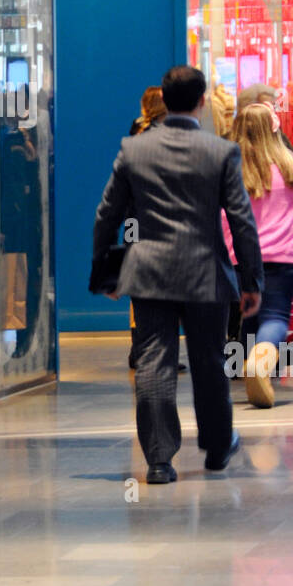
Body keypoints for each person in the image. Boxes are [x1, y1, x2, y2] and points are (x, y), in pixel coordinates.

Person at [92, 65, 263, 483]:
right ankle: (218, 447)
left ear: (162, 102)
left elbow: (106, 215)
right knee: (209, 360)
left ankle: (158, 459)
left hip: (149, 273)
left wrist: (104, 273)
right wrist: (252, 280)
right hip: (206, 273)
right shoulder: (220, 152)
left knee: (153, 360)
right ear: (202, 101)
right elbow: (242, 221)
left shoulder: (134, 150)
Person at [222, 102, 293, 408]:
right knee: (276, 315)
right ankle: (260, 364)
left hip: (239, 256)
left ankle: (249, 370)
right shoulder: (292, 166)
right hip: (283, 255)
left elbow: (219, 215)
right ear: (276, 129)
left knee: (250, 313)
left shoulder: (229, 169)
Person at [126, 86, 169, 373]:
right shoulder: (162, 138)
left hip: (134, 220)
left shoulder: (135, 134)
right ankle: (157, 349)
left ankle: (139, 347)